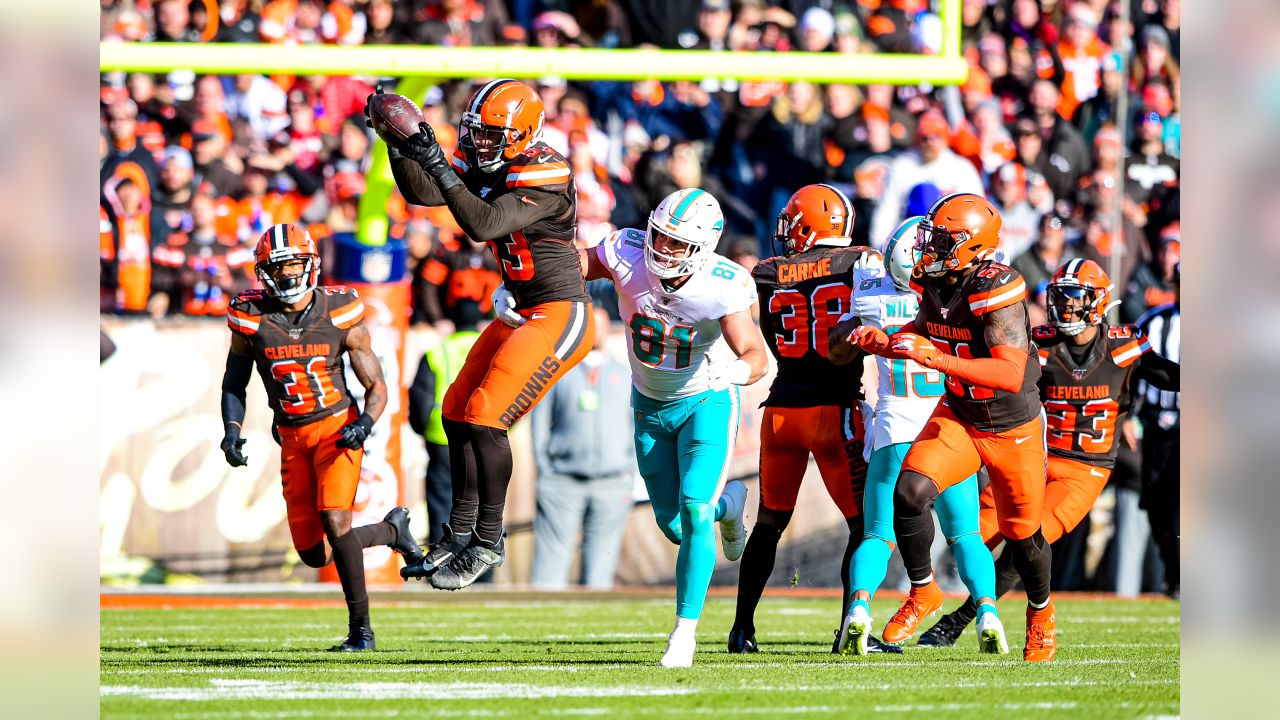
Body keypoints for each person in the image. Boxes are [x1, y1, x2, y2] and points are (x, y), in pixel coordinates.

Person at [381, 80, 596, 590]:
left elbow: (484, 223)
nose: (480, 144)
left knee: (484, 415)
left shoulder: (546, 169)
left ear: (523, 134)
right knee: (454, 408)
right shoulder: (493, 160)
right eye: (476, 133)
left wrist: (434, 159)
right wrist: (397, 143)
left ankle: (488, 539)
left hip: (560, 312)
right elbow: (423, 191)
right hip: (520, 308)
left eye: (493, 135)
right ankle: (457, 532)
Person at [838, 193, 1058, 662]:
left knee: (1023, 535)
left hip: (1010, 424)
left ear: (971, 245)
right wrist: (884, 344)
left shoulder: (996, 287)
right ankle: (923, 592)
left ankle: (1040, 615)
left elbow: (1009, 373)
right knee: (909, 493)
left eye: (940, 239)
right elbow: (923, 333)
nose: (929, 247)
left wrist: (936, 358)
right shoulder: (936, 283)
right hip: (960, 412)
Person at [919, 259, 1179, 646]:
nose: (1066, 306)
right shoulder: (1039, 344)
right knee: (970, 533)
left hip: (1083, 470)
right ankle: (916, 600)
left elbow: (1169, 375)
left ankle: (958, 621)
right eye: (1060, 297)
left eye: (1074, 298)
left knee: (1027, 539)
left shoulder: (1125, 348)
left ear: (1098, 302)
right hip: (1033, 458)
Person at [581, 188, 766, 667]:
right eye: (660, 237)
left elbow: (755, 354)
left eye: (676, 244)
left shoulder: (722, 284)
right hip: (649, 405)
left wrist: (738, 372)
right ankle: (733, 504)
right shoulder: (626, 252)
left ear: (703, 248)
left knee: (694, 510)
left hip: (705, 401)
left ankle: (684, 633)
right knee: (676, 526)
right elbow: (570, 268)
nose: (662, 250)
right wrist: (523, 289)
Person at [220, 224, 423, 651]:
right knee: (314, 553)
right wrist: (231, 431)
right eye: (280, 267)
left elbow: (377, 386)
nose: (289, 276)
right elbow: (233, 382)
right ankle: (391, 531)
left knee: (336, 520)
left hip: (336, 428)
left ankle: (361, 631)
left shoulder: (340, 309)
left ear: (311, 265)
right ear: (263, 273)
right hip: (292, 438)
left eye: (295, 265)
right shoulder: (250, 316)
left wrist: (364, 425)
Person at [828, 217, 1006, 656]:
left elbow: (838, 339)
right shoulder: (955, 300)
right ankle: (987, 611)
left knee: (876, 535)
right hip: (947, 429)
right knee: (965, 535)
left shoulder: (872, 291)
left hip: (894, 426)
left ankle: (859, 609)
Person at [730, 184, 886, 655]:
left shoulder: (766, 272)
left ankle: (742, 630)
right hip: (834, 411)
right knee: (863, 527)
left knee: (769, 523)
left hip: (780, 412)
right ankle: (849, 629)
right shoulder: (861, 260)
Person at [529, 308, 636, 590]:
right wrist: (546, 468)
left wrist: (629, 472)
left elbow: (637, 427)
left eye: (601, 326)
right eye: (591, 327)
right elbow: (539, 422)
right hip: (562, 480)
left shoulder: (626, 375)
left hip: (612, 482)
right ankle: (540, 621)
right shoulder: (557, 371)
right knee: (549, 566)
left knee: (600, 566)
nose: (596, 332)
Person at [407, 299, 484, 547]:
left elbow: (420, 398)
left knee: (442, 502)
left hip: (442, 438)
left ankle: (443, 564)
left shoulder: (437, 352)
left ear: (452, 323)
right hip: (484, 439)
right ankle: (481, 572)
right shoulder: (492, 351)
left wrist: (423, 429)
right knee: (484, 501)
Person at [1129, 263, 1180, 597]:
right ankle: (1174, 573)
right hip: (1155, 423)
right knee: (1157, 504)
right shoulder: (1152, 321)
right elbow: (1127, 368)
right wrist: (1126, 419)